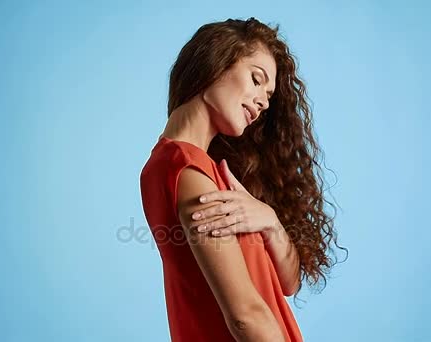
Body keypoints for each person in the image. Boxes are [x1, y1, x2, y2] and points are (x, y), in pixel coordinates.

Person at [140, 17, 346, 342]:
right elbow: (245, 317)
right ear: (215, 63)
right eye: (256, 79)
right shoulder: (187, 169)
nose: (264, 102)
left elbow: (288, 283)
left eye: (269, 95)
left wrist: (271, 221)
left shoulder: (210, 173)